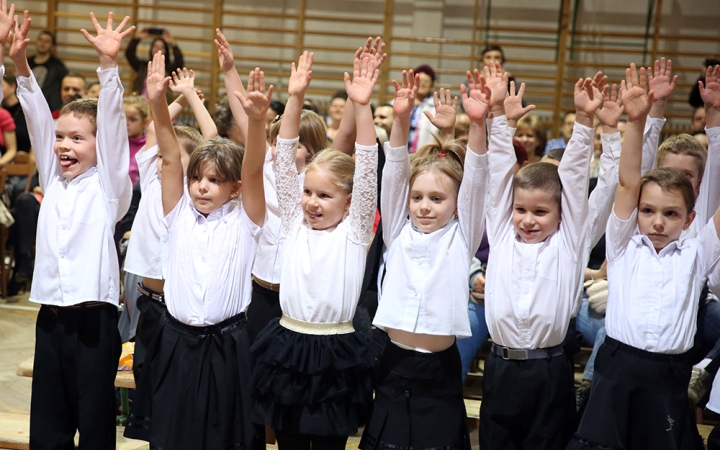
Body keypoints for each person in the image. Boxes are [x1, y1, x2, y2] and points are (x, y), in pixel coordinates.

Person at [568, 63, 720, 450]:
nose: (656, 222)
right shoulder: (622, 244)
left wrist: (715, 123)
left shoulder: (698, 252)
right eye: (648, 211)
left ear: (689, 219)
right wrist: (635, 122)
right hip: (616, 369)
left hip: (669, 376)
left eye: (670, 214)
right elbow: (628, 181)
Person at [124, 51, 266, 449]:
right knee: (170, 433)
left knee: (224, 438)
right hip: (176, 340)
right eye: (197, 179)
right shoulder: (178, 213)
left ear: (235, 188)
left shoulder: (246, 218)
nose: (202, 186)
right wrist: (156, 102)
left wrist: (256, 122)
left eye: (215, 180)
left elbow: (253, 168)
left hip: (228, 344)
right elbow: (170, 155)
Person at [9, 9, 134, 448]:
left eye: (77, 138)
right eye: (62, 137)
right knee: (49, 423)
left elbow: (115, 129)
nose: (63, 144)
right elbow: (36, 116)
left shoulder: (109, 187)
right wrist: (21, 64)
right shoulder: (53, 173)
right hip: (51, 320)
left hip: (94, 326)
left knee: (95, 426)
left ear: (101, 147)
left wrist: (109, 66)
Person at [251, 54, 379, 449]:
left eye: (324, 195)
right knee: (287, 441)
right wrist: (295, 96)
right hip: (288, 342)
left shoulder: (356, 233)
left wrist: (361, 105)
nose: (312, 202)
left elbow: (369, 165)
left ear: (349, 200)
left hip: (337, 348)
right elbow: (285, 155)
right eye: (307, 192)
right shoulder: (293, 224)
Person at [361, 67, 488, 450]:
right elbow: (395, 170)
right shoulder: (396, 230)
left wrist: (478, 125)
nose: (424, 207)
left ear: (456, 202)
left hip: (439, 369)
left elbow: (477, 178)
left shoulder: (461, 236)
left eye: (437, 199)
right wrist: (401, 119)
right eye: (417, 198)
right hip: (393, 362)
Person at [480, 62, 601, 449]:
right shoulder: (501, 235)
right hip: (500, 368)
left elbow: (576, 177)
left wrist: (584, 121)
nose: (528, 220)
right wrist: (499, 118)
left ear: (561, 214)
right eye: (521, 210)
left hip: (549, 370)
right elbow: (499, 174)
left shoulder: (568, 243)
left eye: (541, 212)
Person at [121, 68, 217, 381]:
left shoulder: (193, 195)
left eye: (174, 158)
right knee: (137, 339)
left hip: (176, 282)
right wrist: (176, 101)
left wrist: (192, 98)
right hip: (141, 274)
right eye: (162, 156)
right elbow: (154, 130)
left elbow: (212, 139)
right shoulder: (150, 178)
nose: (165, 163)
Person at [125, 26, 184, 97]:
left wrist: (173, 44)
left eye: (161, 47)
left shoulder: (169, 69)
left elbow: (179, 61)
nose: (158, 49)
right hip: (141, 104)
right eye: (155, 46)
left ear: (166, 50)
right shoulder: (143, 66)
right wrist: (136, 39)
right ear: (151, 48)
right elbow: (130, 54)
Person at [27, 29, 68, 111]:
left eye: (47, 41)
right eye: (40, 40)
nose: (42, 43)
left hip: (48, 107)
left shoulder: (58, 67)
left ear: (52, 46)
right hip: (28, 103)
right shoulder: (27, 62)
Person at [407, 64, 437, 153]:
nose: (422, 84)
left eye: (426, 81)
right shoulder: (401, 102)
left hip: (426, 156)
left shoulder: (437, 106)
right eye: (419, 80)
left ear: (432, 85)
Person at [123, 95, 149, 185]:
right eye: (122, 118)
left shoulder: (149, 145)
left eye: (132, 119)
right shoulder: (116, 143)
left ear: (144, 122)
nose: (126, 123)